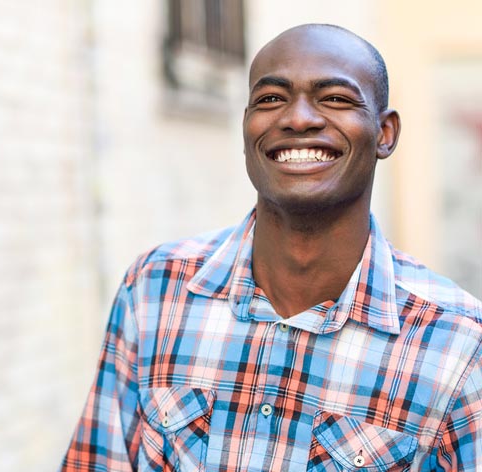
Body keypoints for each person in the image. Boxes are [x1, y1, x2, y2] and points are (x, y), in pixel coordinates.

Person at [60, 24, 482, 471]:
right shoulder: (155, 290)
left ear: (385, 132)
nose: (298, 119)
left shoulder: (457, 345)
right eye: (271, 99)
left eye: (335, 98)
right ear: (246, 127)